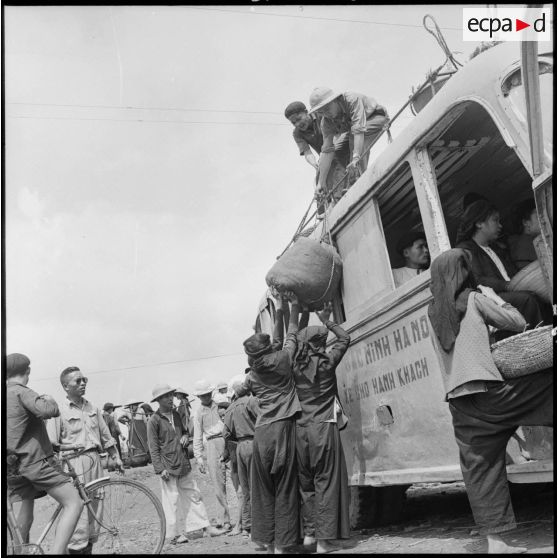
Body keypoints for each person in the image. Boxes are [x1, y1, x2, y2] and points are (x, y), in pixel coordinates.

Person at [427, 249, 553, 554]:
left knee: (481, 470)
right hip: (491, 392)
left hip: (460, 402)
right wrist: (493, 297)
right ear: (463, 272)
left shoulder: (433, 311)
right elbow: (517, 320)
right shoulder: (473, 298)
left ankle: (496, 543)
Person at [237, 293, 302, 554]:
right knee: (286, 486)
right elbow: (291, 336)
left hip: (261, 433)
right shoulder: (284, 362)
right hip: (283, 428)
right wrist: (292, 308)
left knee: (263, 489)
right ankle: (284, 545)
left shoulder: (253, 376)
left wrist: (278, 311)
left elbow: (275, 342)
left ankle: (265, 541)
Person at [6, 353, 83, 555]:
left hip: (13, 465)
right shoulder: (22, 392)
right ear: (28, 371)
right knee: (74, 502)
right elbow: (49, 410)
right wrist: (48, 398)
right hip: (35, 462)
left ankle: (20, 552)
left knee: (26, 507)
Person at [290, 303, 351, 554]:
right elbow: (345, 337)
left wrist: (296, 313)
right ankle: (325, 542)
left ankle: (309, 537)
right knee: (326, 482)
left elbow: (292, 338)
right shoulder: (328, 362)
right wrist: (327, 320)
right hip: (324, 429)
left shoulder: (292, 366)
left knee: (306, 486)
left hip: (300, 430)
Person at [47, 366, 123, 554]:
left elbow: (106, 436)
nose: (83, 384)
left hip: (95, 461)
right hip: (73, 465)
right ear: (66, 386)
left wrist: (116, 456)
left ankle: (87, 549)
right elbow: (52, 443)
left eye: (84, 380)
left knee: (94, 509)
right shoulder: (58, 411)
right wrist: (69, 451)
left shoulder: (93, 408)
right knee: (77, 513)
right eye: (77, 381)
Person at [146, 383, 224, 545]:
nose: (170, 398)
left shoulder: (175, 415)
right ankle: (173, 535)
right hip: (167, 466)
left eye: (171, 395)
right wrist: (160, 469)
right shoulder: (154, 421)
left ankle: (204, 527)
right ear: (158, 400)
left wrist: (185, 437)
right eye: (166, 396)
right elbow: (153, 448)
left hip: (182, 461)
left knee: (194, 494)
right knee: (171, 501)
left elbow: (185, 432)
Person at [455, 199, 547, 332]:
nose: (500, 225)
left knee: (539, 295)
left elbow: (513, 273)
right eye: (495, 220)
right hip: (490, 298)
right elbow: (478, 280)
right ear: (480, 223)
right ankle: (541, 339)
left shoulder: (496, 248)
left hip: (510, 291)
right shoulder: (466, 249)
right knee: (527, 299)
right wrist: (508, 285)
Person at [308, 87, 389, 202]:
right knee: (336, 153)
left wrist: (356, 157)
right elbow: (327, 152)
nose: (326, 114)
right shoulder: (325, 123)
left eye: (327, 108)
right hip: (354, 131)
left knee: (353, 138)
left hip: (376, 118)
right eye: (321, 112)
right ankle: (335, 197)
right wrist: (320, 182)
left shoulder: (351, 99)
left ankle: (356, 180)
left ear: (335, 100)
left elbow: (358, 130)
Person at [284, 101, 350, 212]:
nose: (297, 124)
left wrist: (326, 157)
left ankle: (338, 198)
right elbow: (307, 153)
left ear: (306, 112)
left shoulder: (321, 115)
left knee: (334, 161)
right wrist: (316, 165)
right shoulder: (297, 133)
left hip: (340, 144)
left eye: (299, 119)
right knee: (319, 178)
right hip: (325, 155)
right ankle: (323, 212)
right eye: (293, 122)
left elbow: (336, 136)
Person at [192, 379, 232, 531]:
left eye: (208, 394)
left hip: (226, 440)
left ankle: (245, 519)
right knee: (217, 484)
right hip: (211, 444)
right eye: (202, 395)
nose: (206, 397)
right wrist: (199, 458)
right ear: (198, 397)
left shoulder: (220, 405)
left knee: (237, 479)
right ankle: (224, 519)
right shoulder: (198, 412)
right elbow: (197, 435)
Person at [222, 379, 260, 538]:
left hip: (239, 447)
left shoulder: (230, 407)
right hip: (253, 443)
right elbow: (262, 419)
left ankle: (246, 526)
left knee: (245, 489)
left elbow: (226, 433)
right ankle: (258, 526)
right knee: (257, 486)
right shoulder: (251, 401)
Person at [217, 400, 243, 536]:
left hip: (241, 462)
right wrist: (223, 457)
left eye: (224, 415)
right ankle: (242, 524)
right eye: (220, 416)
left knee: (241, 493)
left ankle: (240, 525)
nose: (222, 418)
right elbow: (227, 448)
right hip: (233, 462)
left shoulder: (237, 425)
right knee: (240, 494)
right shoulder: (226, 428)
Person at [507, 199, 541, 270]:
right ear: (526, 222)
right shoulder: (524, 248)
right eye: (538, 216)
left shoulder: (532, 241)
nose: (543, 218)